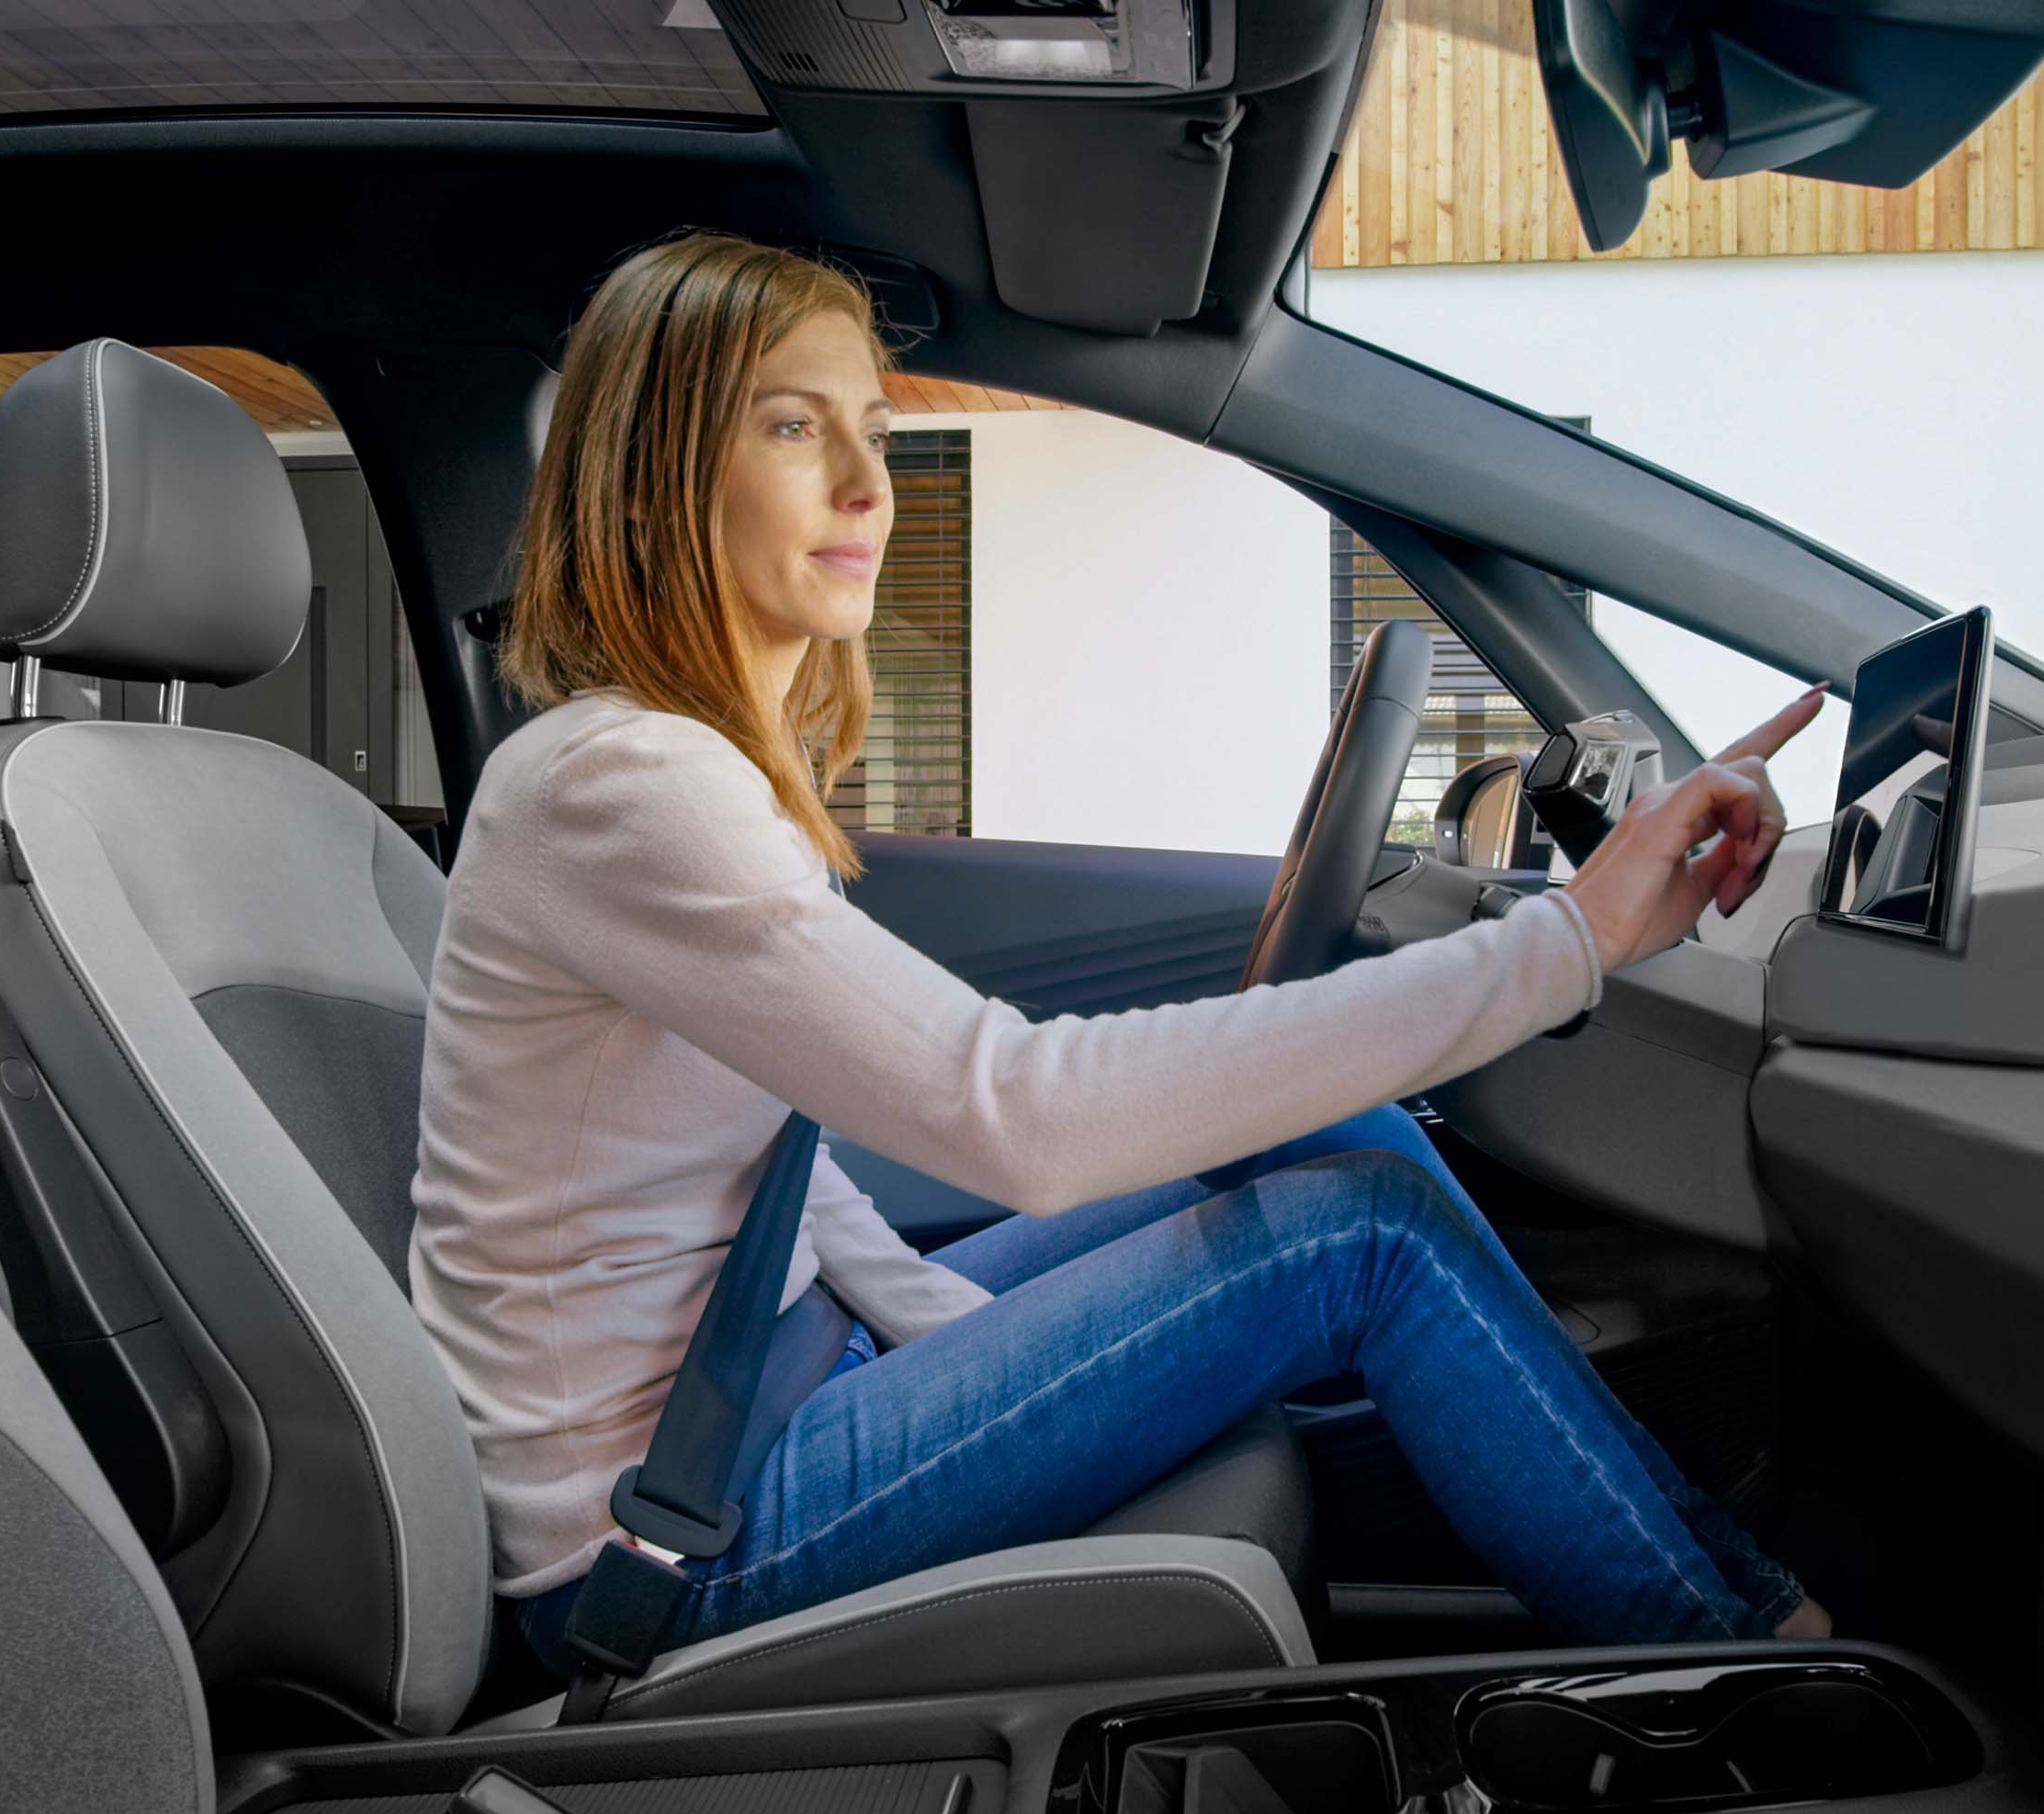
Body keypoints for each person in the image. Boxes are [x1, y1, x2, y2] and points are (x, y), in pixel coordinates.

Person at [410, 231, 1833, 1677]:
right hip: (663, 1531)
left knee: (1343, 1133)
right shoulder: (618, 787)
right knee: (1362, 1239)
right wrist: (1570, 939)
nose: (866, 483)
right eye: (791, 424)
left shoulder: (683, 772)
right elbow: (1020, 1116)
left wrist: (994, 1342)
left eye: (874, 428)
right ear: (657, 472)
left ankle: (1753, 1606)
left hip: (772, 1379)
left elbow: (777, 1159)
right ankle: (1749, 1681)